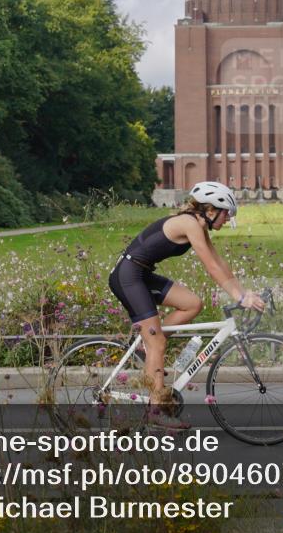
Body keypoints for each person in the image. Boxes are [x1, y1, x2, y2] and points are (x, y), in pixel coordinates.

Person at [108, 182, 265, 427]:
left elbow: (219, 263)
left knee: (193, 304)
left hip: (142, 274)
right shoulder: (189, 224)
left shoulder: (198, 225)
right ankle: (156, 413)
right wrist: (239, 297)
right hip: (128, 277)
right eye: (226, 213)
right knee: (158, 343)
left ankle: (147, 348)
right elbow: (211, 267)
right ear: (211, 210)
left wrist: (243, 292)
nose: (228, 219)